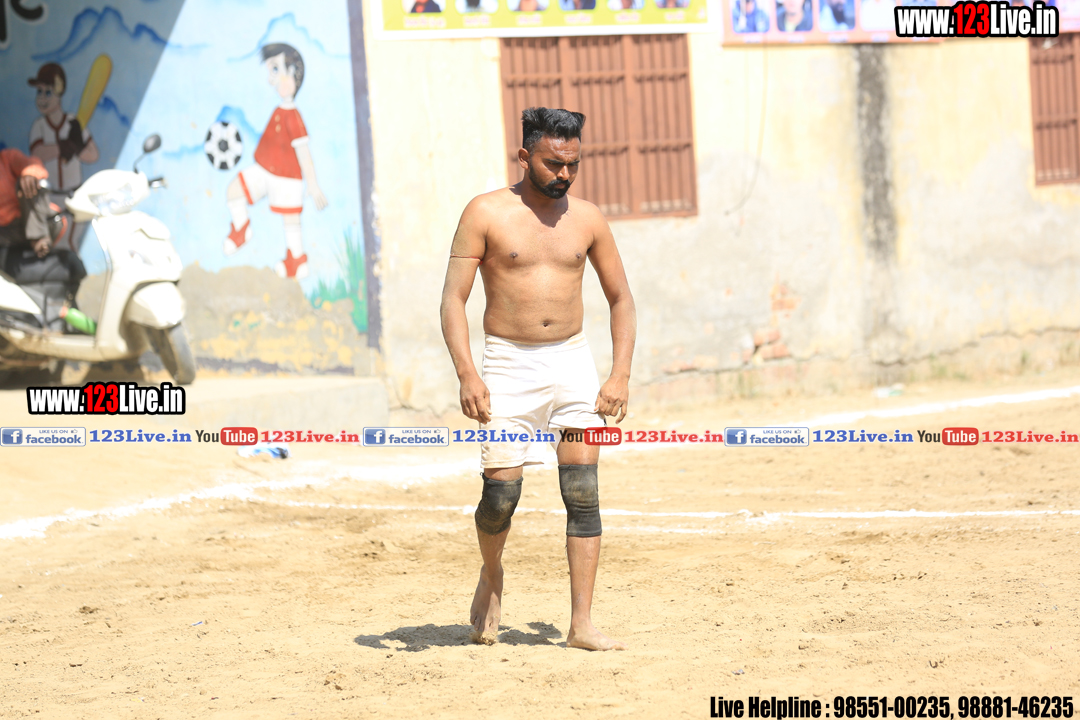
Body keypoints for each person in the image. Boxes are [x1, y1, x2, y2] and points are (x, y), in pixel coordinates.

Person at [440, 107, 636, 651]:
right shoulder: (485, 212)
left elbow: (621, 298)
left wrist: (619, 374)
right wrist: (468, 373)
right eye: (553, 163)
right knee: (501, 494)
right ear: (525, 156)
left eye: (573, 164)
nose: (564, 174)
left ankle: (581, 625)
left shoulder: (588, 219)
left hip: (572, 361)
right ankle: (492, 572)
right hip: (508, 362)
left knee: (583, 491)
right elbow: (453, 298)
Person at [224, 43, 328, 280]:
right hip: (263, 170)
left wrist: (312, 184)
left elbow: (304, 153)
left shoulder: (294, 117)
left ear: (292, 74)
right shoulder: (279, 110)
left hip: (287, 178)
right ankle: (241, 228)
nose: (272, 78)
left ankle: (297, 260)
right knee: (234, 190)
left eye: (275, 69)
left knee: (291, 220)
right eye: (271, 70)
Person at [0, 148, 86, 319]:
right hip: (3, 232)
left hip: (29, 222)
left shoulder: (7, 158)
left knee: (31, 183)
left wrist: (29, 174)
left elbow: (34, 165)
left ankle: (38, 237)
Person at [28, 63, 100, 253]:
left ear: (59, 92)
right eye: (39, 92)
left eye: (48, 92)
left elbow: (93, 155)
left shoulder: (74, 124)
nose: (42, 98)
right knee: (52, 247)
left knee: (72, 246)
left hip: (75, 196)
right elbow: (37, 154)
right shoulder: (39, 126)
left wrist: (77, 147)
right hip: (50, 199)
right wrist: (62, 147)